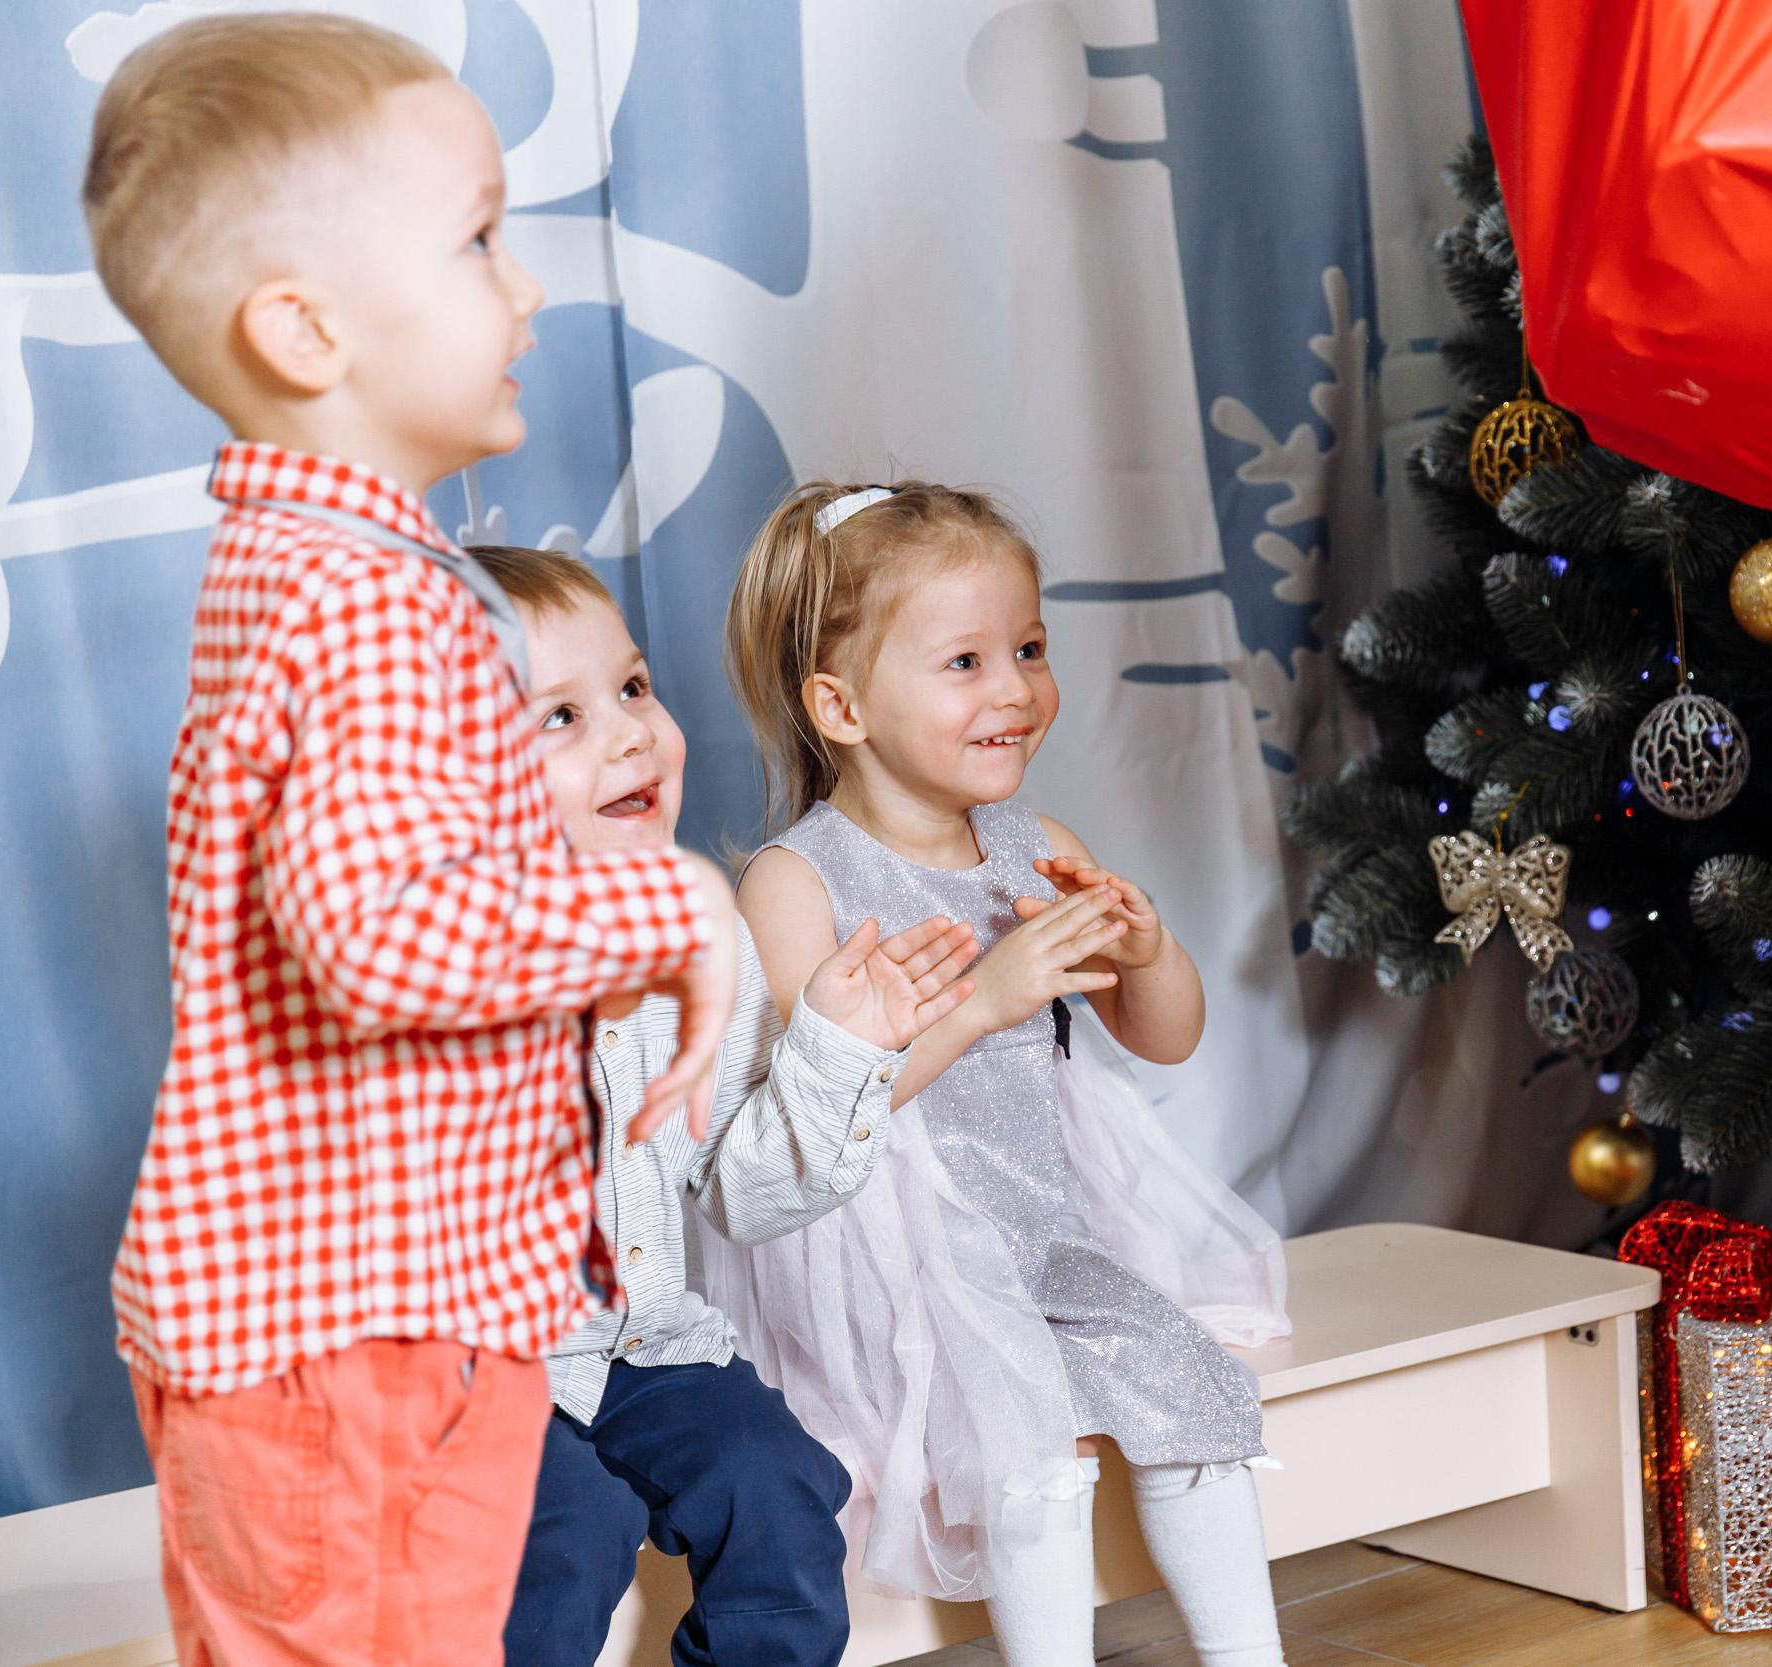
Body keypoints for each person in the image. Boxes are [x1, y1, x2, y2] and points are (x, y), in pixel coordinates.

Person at [86, 19, 733, 1663]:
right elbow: (375, 933)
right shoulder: (376, 601)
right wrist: (665, 905)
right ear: (304, 329)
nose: (526, 287)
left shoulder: (303, 567)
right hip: (359, 1338)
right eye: (478, 240)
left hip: (356, 1319)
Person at [703, 480, 1290, 1667]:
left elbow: (1165, 1036)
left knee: (1191, 1387)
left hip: (1044, 1222)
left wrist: (1148, 952)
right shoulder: (795, 881)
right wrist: (984, 998)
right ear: (840, 705)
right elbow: (809, 1123)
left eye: (1028, 647)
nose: (1016, 689)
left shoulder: (1040, 847)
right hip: (882, 1255)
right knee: (1024, 1435)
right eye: (965, 662)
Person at [465, 544, 976, 1667]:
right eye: (560, 716)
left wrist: (836, 1049)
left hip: (645, 1343)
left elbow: (743, 1188)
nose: (631, 733)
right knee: (563, 1532)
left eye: (633, 687)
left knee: (779, 1485)